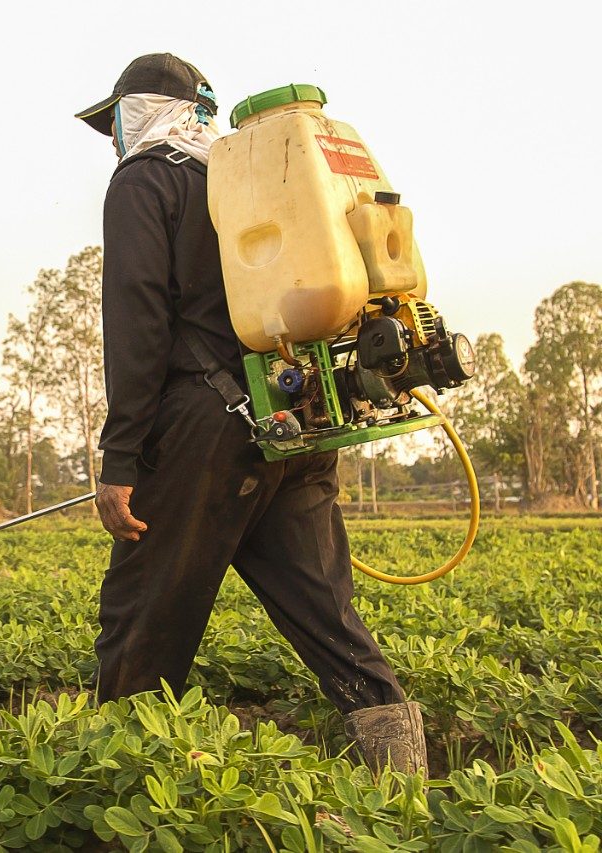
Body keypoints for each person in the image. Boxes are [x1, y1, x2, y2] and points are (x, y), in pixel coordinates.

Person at [75, 53, 427, 774]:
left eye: (112, 122)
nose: (111, 139)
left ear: (137, 113)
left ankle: (111, 790)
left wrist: (120, 461)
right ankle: (407, 785)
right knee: (328, 616)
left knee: (141, 617)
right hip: (294, 421)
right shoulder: (253, 184)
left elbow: (137, 325)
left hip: (203, 432)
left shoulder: (146, 180)